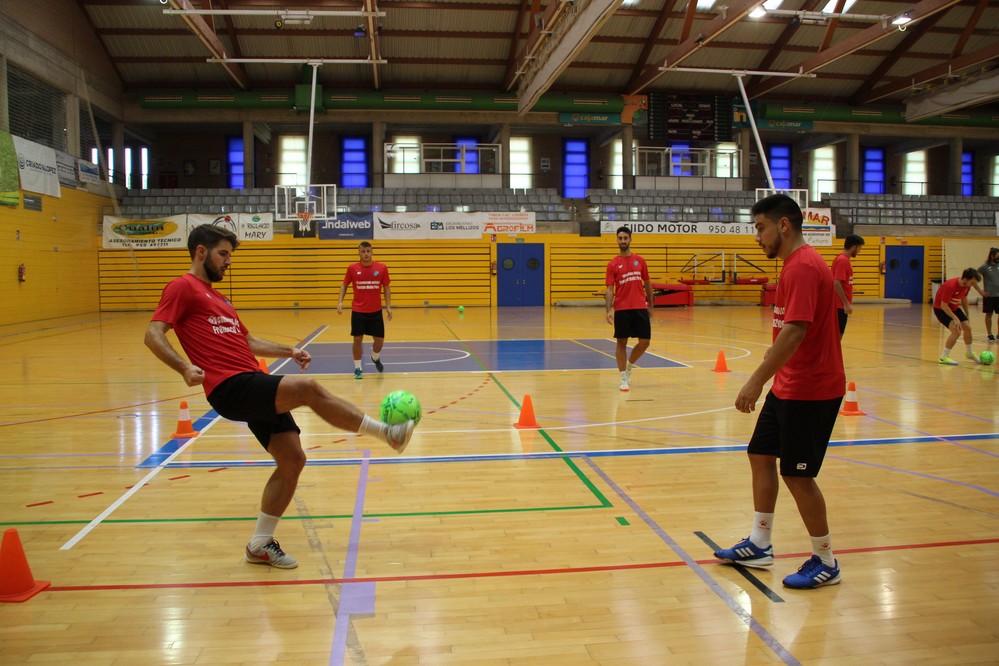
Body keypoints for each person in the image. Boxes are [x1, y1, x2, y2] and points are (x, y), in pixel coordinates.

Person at [145, 225, 415, 570]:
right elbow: (153, 333)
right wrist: (183, 367)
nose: (228, 262)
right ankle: (387, 434)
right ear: (201, 252)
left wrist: (288, 349)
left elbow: (248, 342)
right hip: (229, 386)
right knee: (308, 389)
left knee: (293, 460)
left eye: (230, 255)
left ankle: (259, 543)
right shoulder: (182, 287)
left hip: (251, 379)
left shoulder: (220, 299)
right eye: (223, 254)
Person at [713, 193, 846, 590]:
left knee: (798, 476)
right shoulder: (793, 265)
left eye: (760, 228)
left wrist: (756, 380)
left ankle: (825, 560)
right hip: (790, 384)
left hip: (812, 389)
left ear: (783, 225)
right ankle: (760, 542)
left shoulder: (803, 266)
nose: (757, 237)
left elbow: (795, 330)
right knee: (759, 455)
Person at [605, 226, 653, 392]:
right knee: (621, 342)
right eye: (620, 238)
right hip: (622, 308)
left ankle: (630, 365)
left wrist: (651, 306)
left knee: (645, 342)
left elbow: (647, 284)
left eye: (626, 238)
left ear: (631, 239)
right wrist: (608, 310)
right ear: (617, 240)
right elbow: (610, 289)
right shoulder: (612, 264)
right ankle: (623, 377)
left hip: (640, 306)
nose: (623, 241)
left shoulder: (640, 260)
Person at [338, 240, 392, 379]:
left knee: (379, 341)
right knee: (357, 339)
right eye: (363, 251)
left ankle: (375, 357)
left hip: (375, 311)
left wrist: (388, 306)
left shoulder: (382, 268)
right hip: (358, 310)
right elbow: (344, 285)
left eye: (368, 251)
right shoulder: (352, 268)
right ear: (359, 253)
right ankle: (357, 368)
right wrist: (340, 302)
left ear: (372, 252)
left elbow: (386, 287)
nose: (366, 254)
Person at [933, 267, 982, 365]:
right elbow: (943, 305)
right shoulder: (950, 286)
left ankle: (969, 353)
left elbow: (964, 299)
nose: (973, 285)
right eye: (972, 282)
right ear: (965, 279)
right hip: (941, 309)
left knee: (967, 327)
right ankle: (944, 357)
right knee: (956, 331)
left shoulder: (967, 286)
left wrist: (967, 314)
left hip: (954, 308)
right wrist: (955, 319)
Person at [831, 234, 865, 337]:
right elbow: (836, 282)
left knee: (837, 336)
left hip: (840, 305)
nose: (859, 251)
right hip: (839, 306)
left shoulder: (844, 260)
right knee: (837, 336)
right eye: (859, 248)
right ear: (854, 247)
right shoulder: (842, 260)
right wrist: (846, 303)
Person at [975, 247, 998, 342]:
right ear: (992, 256)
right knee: (989, 314)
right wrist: (980, 291)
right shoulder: (984, 267)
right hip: (989, 295)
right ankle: (990, 334)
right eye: (997, 256)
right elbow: (973, 278)